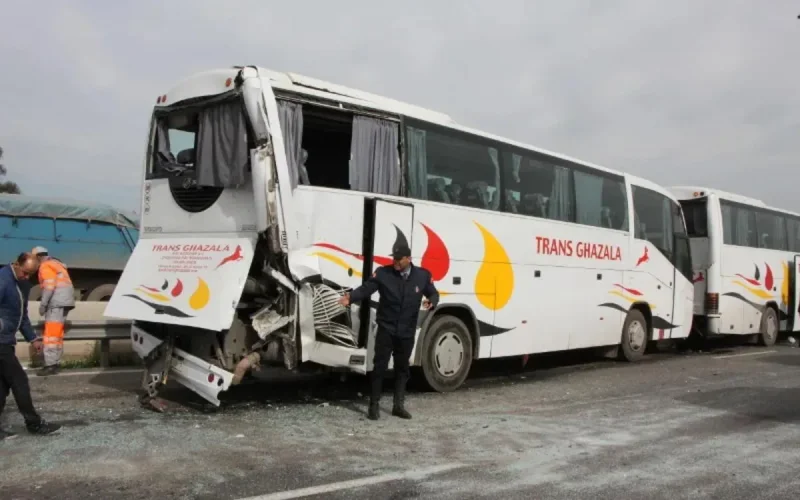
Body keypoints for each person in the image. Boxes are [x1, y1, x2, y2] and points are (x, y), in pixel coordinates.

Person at [339, 242, 439, 421]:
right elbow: (367, 288)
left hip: (407, 332)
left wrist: (431, 301)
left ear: (408, 259)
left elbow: (433, 293)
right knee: (379, 368)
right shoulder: (384, 273)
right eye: (394, 258)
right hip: (387, 329)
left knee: (402, 369)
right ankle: (374, 405)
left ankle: (398, 406)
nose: (396, 262)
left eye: (399, 259)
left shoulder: (422, 276)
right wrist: (351, 297)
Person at [0, 252, 61, 439]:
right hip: (0, 342)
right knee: (19, 381)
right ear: (16, 264)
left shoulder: (22, 285)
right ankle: (33, 424)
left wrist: (33, 338)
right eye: (25, 273)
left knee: (2, 386)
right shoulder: (3, 280)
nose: (27, 277)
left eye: (31, 274)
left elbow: (22, 316)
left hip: (6, 341)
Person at [31, 246, 75, 376]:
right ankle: (55, 363)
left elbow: (49, 286)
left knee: (50, 335)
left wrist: (43, 304)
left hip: (56, 303)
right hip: (65, 302)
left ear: (38, 257)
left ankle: (50, 365)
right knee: (57, 335)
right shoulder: (56, 264)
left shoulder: (45, 266)